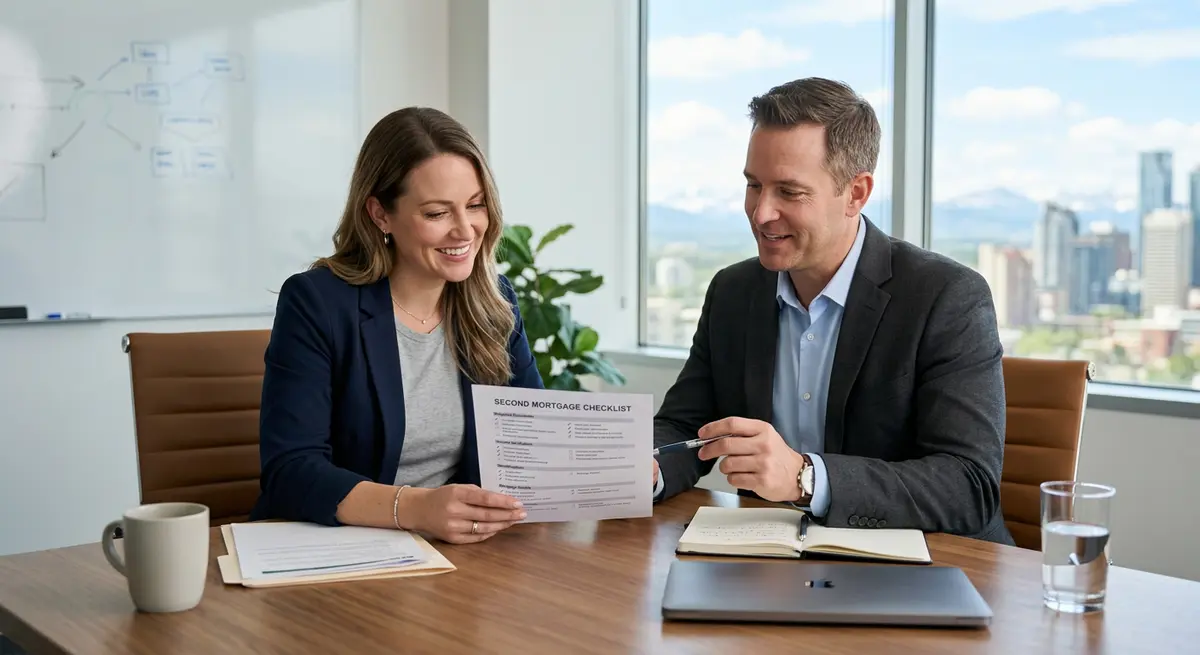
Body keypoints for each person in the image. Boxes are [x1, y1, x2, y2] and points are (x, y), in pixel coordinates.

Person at [651, 78, 1014, 545]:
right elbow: (686, 427)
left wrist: (805, 478)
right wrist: (648, 467)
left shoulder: (947, 296)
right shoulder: (734, 292)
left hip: (929, 571)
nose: (761, 213)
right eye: (754, 185)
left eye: (789, 191)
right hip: (774, 566)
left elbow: (968, 486)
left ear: (856, 193)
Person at [251, 107, 539, 544]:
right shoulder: (317, 302)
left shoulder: (493, 300)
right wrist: (417, 508)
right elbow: (290, 470)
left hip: (463, 554)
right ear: (380, 214)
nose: (465, 230)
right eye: (437, 213)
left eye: (476, 205)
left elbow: (531, 435)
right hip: (341, 550)